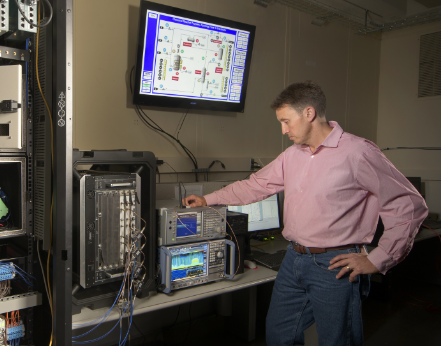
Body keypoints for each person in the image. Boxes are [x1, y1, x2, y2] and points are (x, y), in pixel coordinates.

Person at [182, 81, 428, 346]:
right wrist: (209, 199)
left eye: (286, 121)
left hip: (334, 264)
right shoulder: (292, 155)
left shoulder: (358, 153)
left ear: (309, 113)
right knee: (279, 336)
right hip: (293, 259)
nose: (283, 129)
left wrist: (378, 259)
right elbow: (256, 185)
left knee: (337, 341)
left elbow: (409, 205)